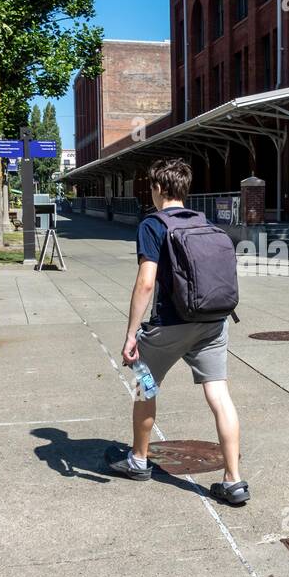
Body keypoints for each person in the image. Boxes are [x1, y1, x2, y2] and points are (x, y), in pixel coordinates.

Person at [110, 158, 248, 505]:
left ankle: (139, 460)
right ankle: (233, 481)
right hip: (212, 322)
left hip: (170, 325)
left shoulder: (152, 225)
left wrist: (130, 335)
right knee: (219, 396)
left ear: (157, 188)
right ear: (185, 189)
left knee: (145, 385)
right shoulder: (205, 223)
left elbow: (145, 283)